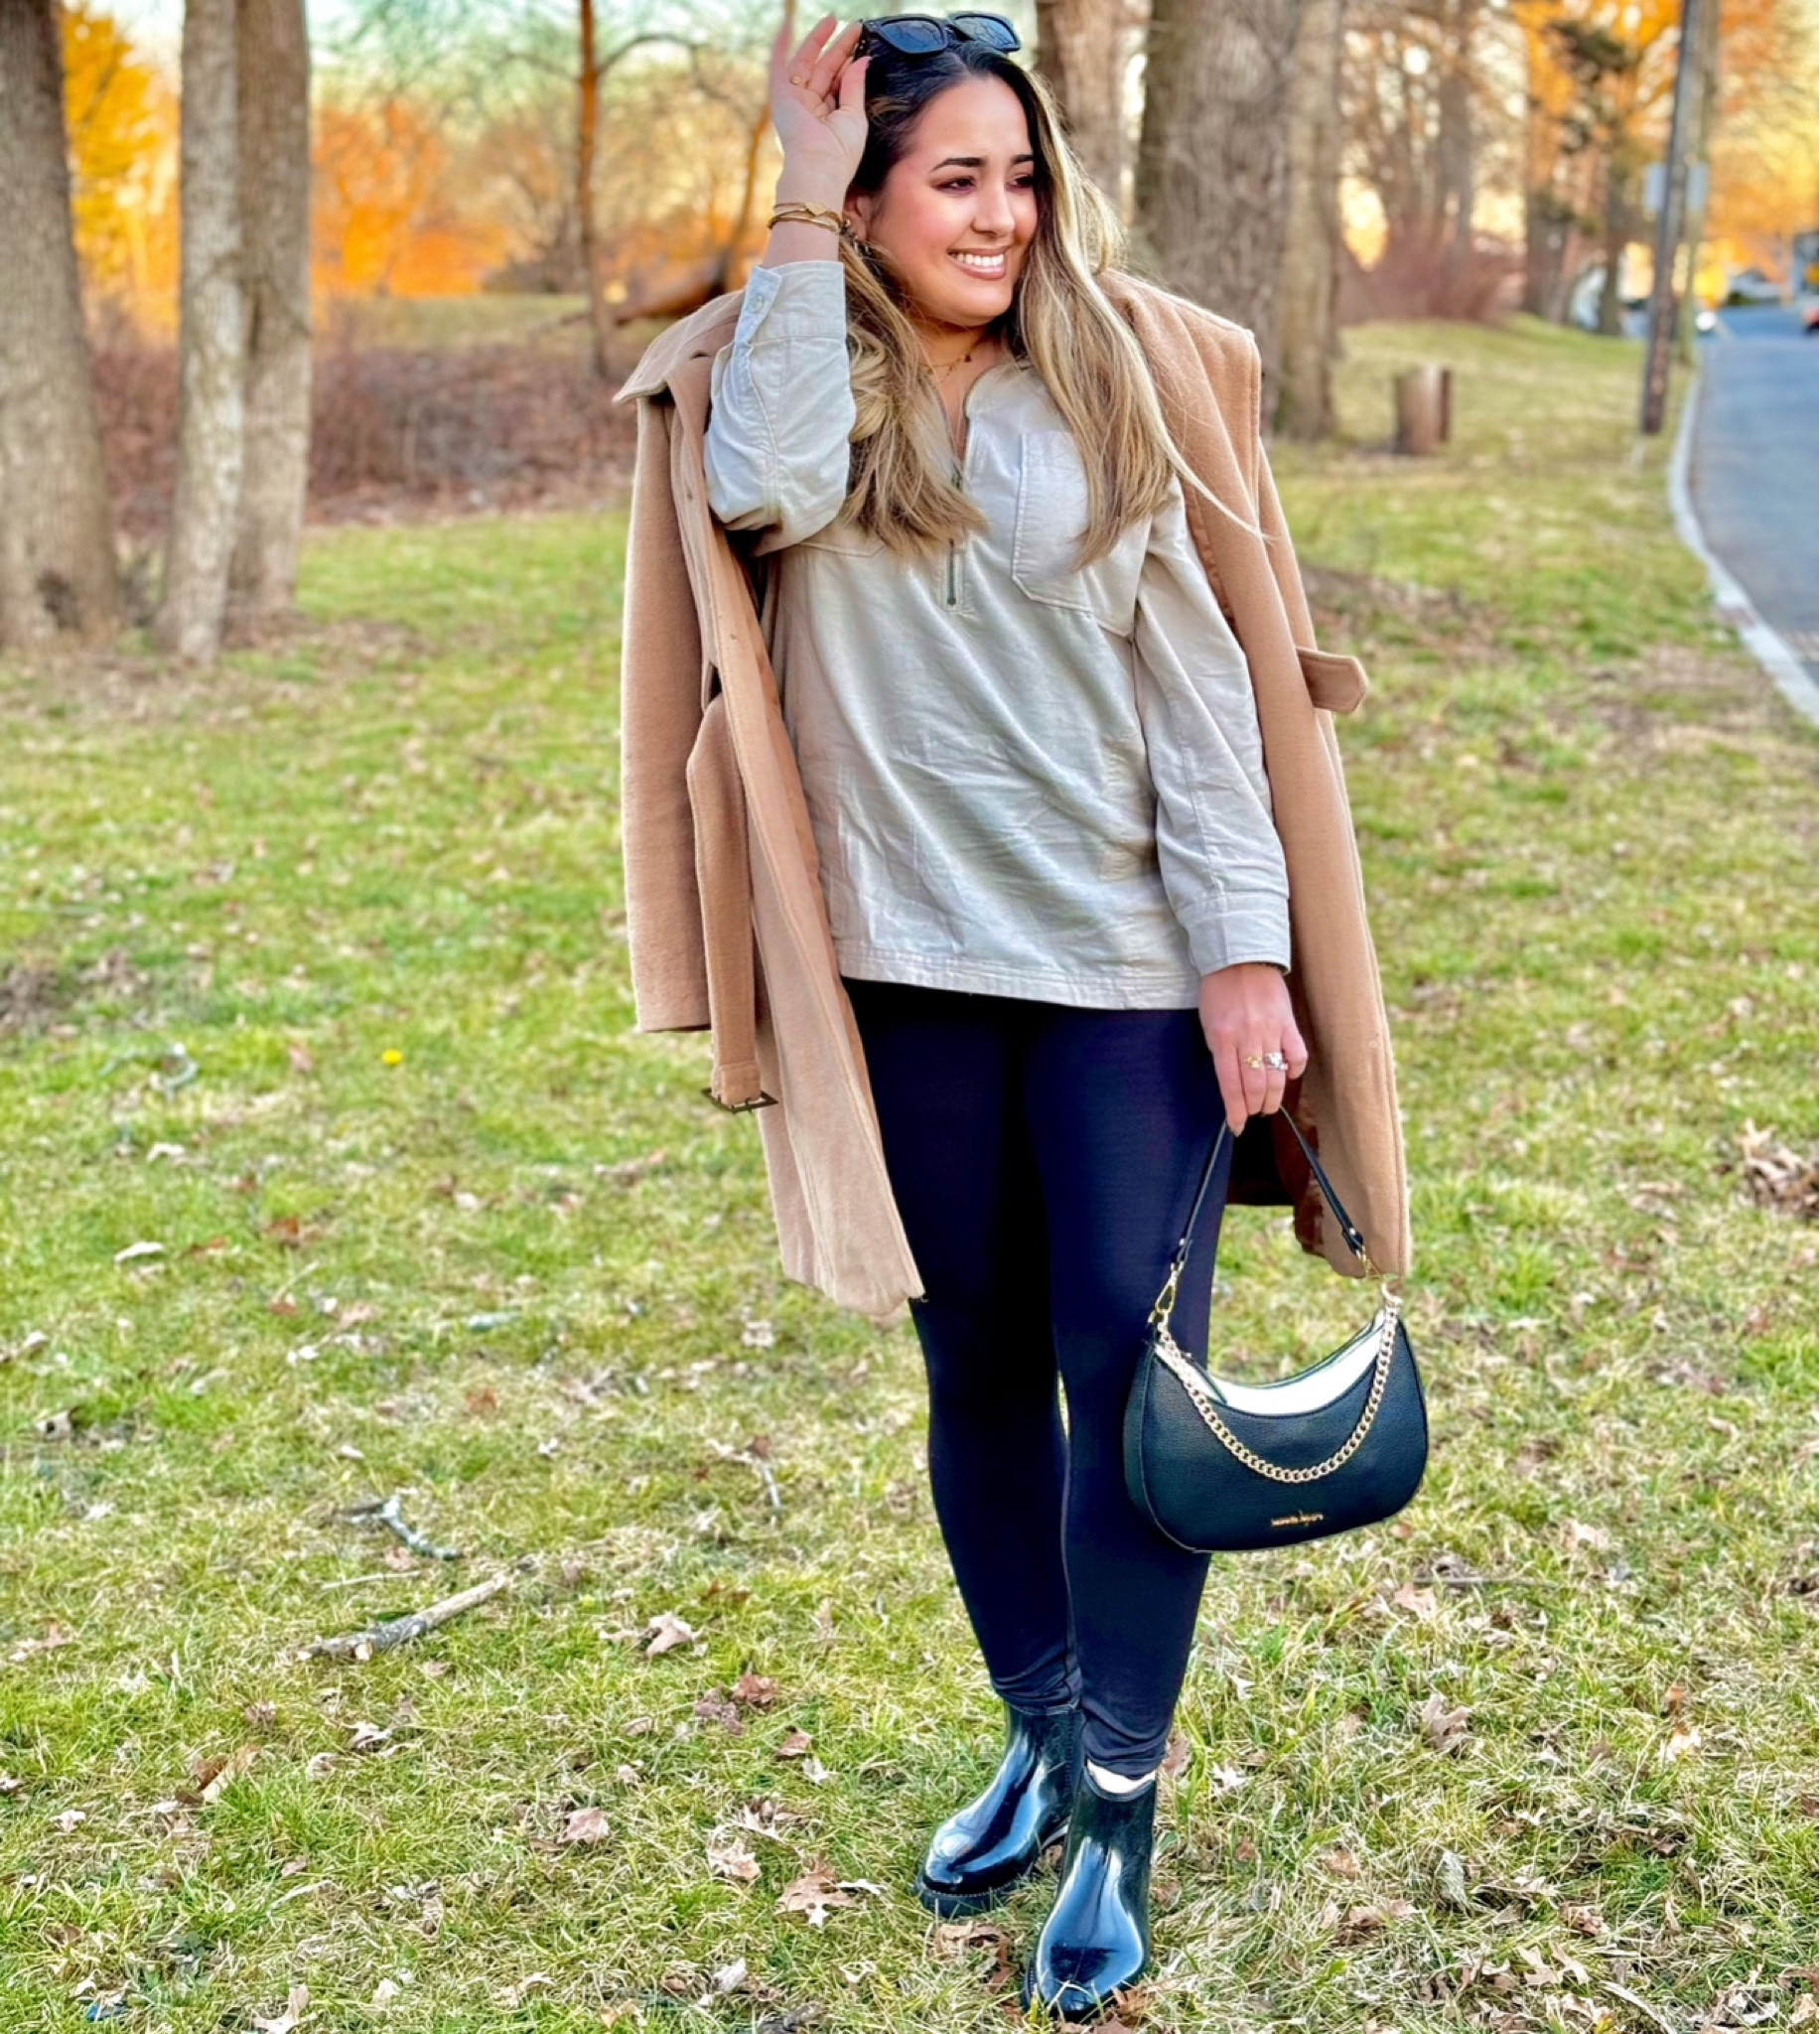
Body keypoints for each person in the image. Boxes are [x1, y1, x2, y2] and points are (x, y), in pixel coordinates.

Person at [617, 9, 1410, 2017]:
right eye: (949, 178)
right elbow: (768, 491)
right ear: (871, 200)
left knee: (1131, 1393)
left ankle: (1121, 1814)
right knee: (970, 1368)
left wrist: (1246, 958)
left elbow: (1201, 685)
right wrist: (796, 212)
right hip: (905, 977)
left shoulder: (1121, 376)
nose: (997, 214)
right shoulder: (791, 368)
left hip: (1126, 984)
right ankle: (1045, 1730)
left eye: (1018, 174)